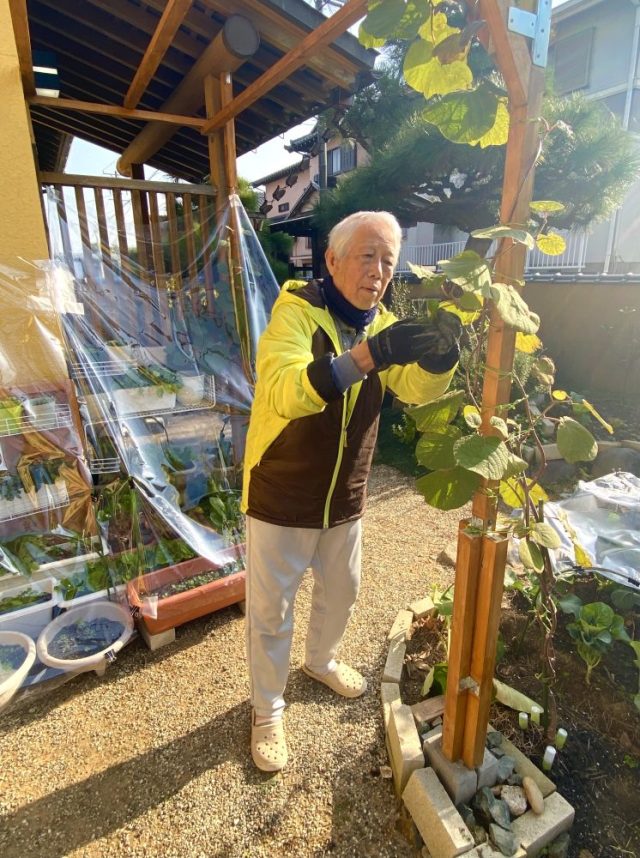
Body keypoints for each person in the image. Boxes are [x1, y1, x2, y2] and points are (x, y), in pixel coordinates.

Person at [241, 210, 461, 772]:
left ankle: (321, 661)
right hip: (283, 488)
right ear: (333, 260)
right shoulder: (295, 312)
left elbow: (414, 389)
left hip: (346, 493)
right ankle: (267, 710)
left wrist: (440, 360)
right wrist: (371, 355)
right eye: (368, 256)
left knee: (343, 589)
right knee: (271, 611)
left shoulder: (382, 324)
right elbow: (287, 390)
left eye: (388, 259)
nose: (379, 270)